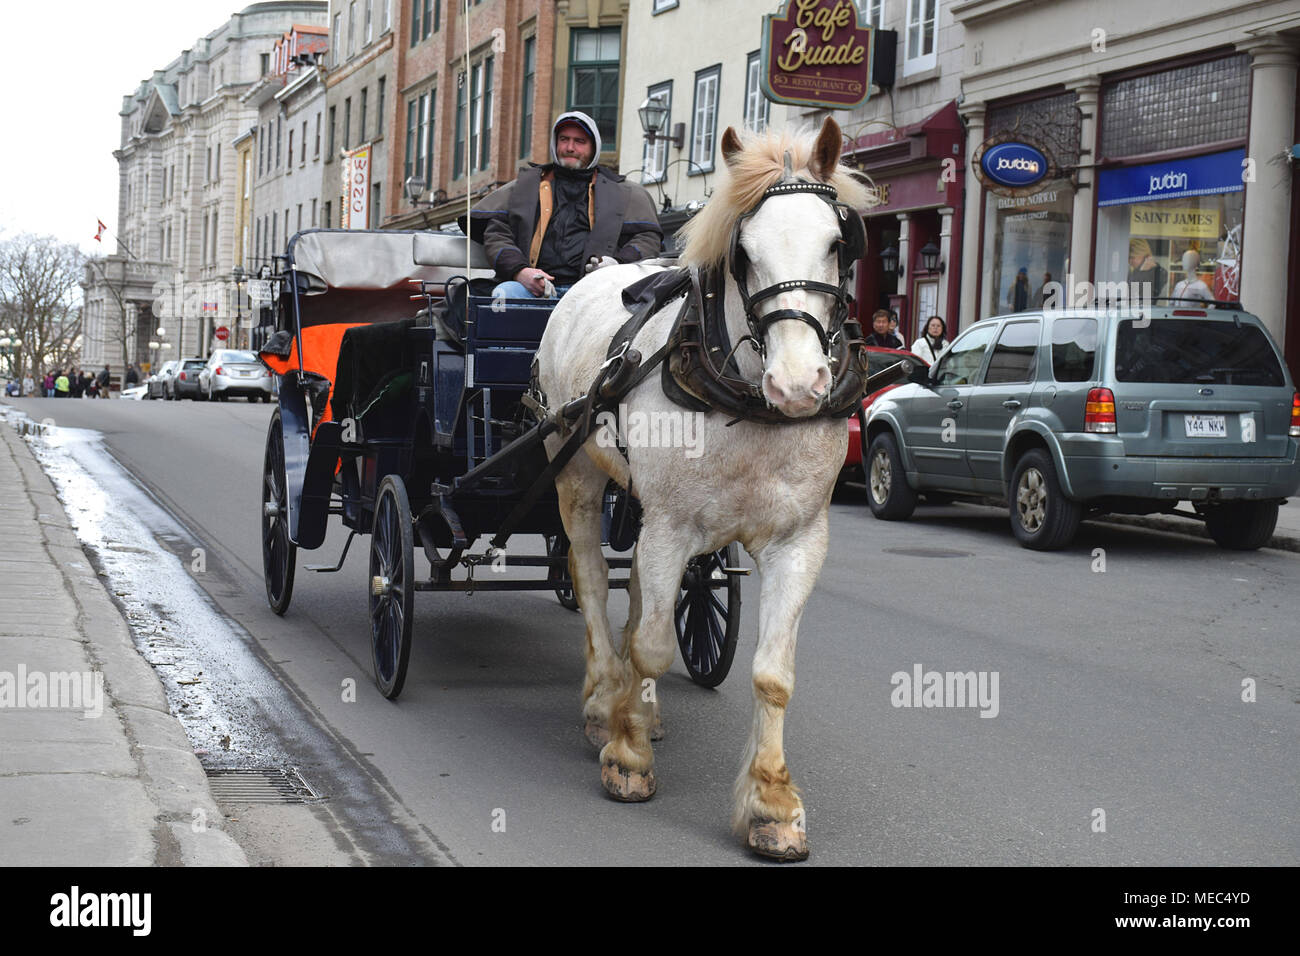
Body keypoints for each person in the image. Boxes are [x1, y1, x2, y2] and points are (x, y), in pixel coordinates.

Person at [463, 111, 663, 300]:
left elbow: (648, 239)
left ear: (594, 147)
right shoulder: (525, 186)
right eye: (564, 139)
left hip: (595, 292)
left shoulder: (624, 192)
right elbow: (497, 234)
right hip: (532, 289)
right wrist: (520, 272)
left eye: (579, 141)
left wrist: (616, 264)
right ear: (555, 143)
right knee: (505, 294)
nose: (570, 148)